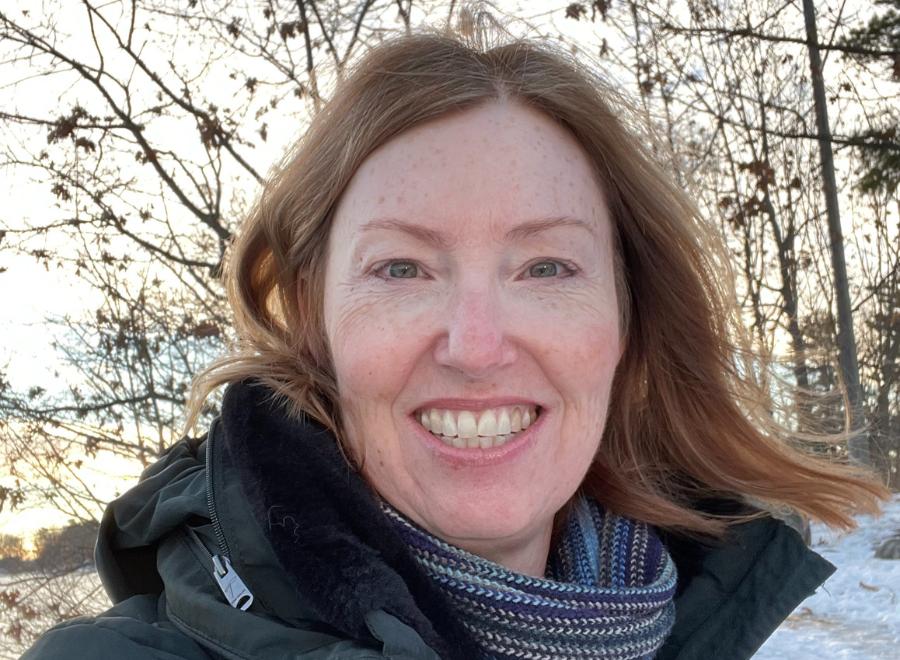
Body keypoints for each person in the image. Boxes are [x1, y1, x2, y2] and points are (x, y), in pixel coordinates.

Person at [23, 15, 888, 660]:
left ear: (628, 319)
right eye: (402, 269)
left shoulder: (689, 617)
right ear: (312, 318)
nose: (475, 347)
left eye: (546, 268)